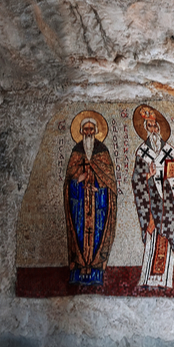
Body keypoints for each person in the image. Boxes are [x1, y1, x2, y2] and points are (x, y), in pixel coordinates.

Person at [130, 104, 174, 290]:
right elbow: (136, 181)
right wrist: (147, 177)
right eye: (149, 126)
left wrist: (173, 182)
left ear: (160, 128)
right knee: (152, 240)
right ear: (145, 129)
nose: (153, 130)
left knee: (167, 240)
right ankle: (149, 280)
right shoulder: (142, 153)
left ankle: (165, 280)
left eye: (155, 126)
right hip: (151, 205)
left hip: (169, 206)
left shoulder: (170, 153)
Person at [64, 109, 115, 288]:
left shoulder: (103, 152)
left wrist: (99, 189)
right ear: (81, 131)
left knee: (97, 239)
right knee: (78, 236)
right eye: (85, 129)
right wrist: (78, 180)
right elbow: (68, 182)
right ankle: (78, 271)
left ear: (96, 130)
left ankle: (95, 272)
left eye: (91, 129)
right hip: (79, 207)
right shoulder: (76, 151)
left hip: (98, 207)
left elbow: (110, 184)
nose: (88, 132)